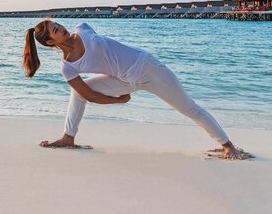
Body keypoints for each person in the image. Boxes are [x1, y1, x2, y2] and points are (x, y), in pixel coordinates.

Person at [23, 20, 240, 159]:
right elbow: (89, 95)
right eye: (55, 30)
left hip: (150, 69)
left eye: (57, 24)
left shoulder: (82, 28)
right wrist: (118, 100)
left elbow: (106, 52)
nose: (61, 27)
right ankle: (68, 138)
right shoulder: (68, 66)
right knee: (78, 91)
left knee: (189, 109)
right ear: (51, 42)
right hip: (126, 80)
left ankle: (228, 146)